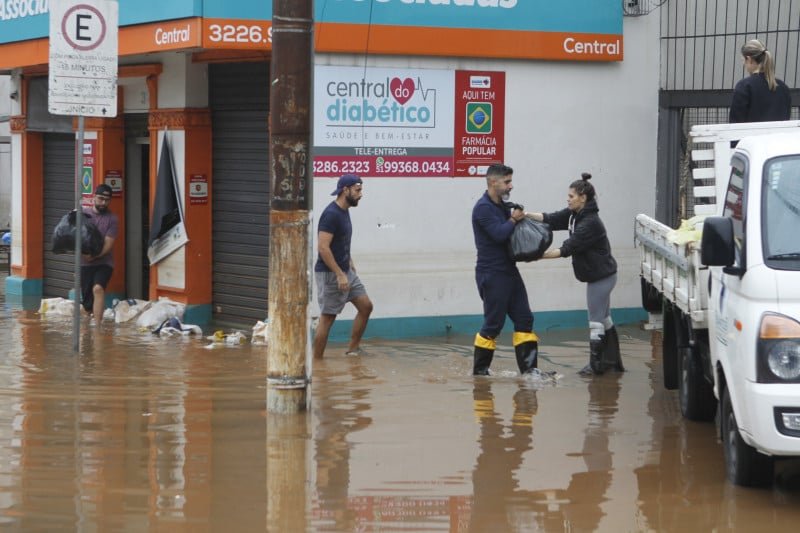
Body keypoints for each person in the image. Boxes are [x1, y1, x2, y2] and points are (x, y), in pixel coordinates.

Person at [527, 172, 623, 375]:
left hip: (601, 278)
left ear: (583, 198)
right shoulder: (574, 215)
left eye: (571, 196)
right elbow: (550, 219)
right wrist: (525, 214)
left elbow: (566, 249)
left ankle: (596, 366)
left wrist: (537, 256)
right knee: (604, 318)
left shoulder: (589, 223)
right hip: (601, 275)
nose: (567, 199)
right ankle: (613, 363)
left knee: (595, 320)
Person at [471, 163, 539, 376]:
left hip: (509, 271)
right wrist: (513, 219)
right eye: (507, 182)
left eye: (511, 181)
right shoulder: (482, 208)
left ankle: (530, 372)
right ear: (493, 182)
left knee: (525, 318)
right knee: (493, 324)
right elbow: (499, 234)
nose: (511, 186)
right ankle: (480, 374)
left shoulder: (502, 205)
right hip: (491, 273)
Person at [313, 174, 373, 359]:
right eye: (358, 190)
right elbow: (323, 247)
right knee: (327, 318)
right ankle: (317, 362)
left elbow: (340, 242)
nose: (361, 194)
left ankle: (353, 349)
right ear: (345, 190)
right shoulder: (331, 214)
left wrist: (349, 260)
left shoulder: (344, 211)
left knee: (366, 306)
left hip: (345, 270)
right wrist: (339, 274)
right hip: (331, 273)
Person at [81, 183, 118, 323]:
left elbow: (108, 244)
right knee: (86, 305)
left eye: (107, 200)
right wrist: (85, 256)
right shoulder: (83, 215)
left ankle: (97, 327)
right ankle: (85, 329)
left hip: (104, 262)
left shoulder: (112, 219)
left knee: (98, 288)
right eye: (101, 198)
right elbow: (75, 238)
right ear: (93, 197)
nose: (103, 202)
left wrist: (94, 256)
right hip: (84, 263)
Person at [730, 39, 791, 123]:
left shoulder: (744, 86)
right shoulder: (784, 88)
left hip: (750, 135)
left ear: (749, 59)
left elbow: (735, 124)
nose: (743, 65)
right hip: (778, 135)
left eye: (743, 60)